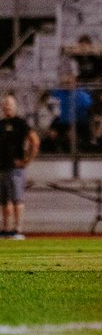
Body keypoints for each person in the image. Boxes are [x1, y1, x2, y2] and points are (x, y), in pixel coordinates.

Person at [0, 94, 40, 239]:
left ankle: (18, 229)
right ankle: (5, 228)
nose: (7, 107)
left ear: (15, 106)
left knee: (17, 198)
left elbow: (34, 141)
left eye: (9, 104)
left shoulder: (20, 123)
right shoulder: (1, 124)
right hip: (2, 166)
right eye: (5, 104)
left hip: (16, 168)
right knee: (4, 200)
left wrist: (27, 160)